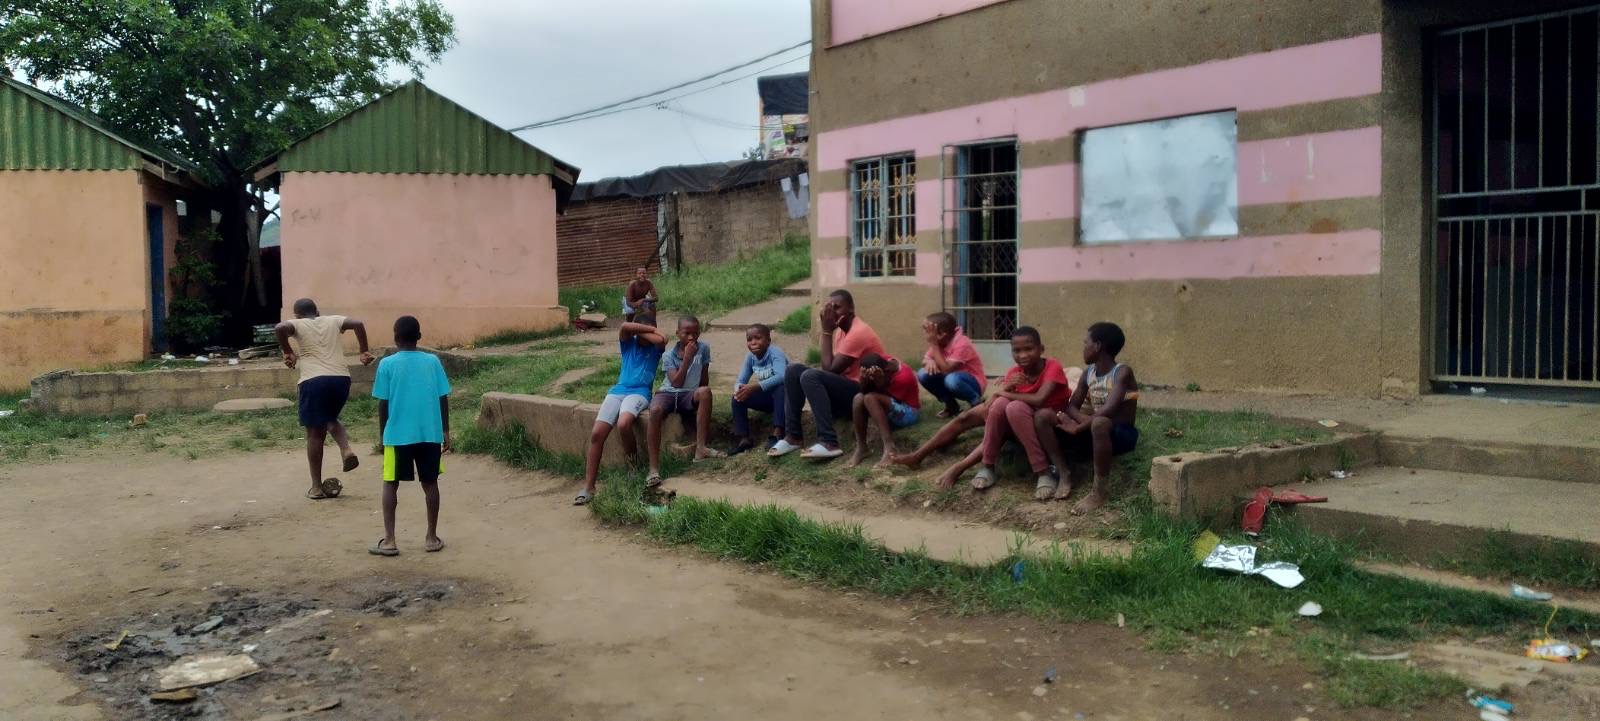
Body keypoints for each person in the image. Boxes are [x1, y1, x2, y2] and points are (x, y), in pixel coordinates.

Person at [931, 327, 1072, 493]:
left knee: (1014, 406)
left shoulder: (1052, 367)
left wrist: (1001, 392)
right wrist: (1008, 387)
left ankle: (1043, 471)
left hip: (1050, 425)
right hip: (1022, 427)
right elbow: (993, 407)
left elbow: (1039, 399)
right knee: (1001, 405)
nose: (1023, 355)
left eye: (1029, 349)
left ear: (1041, 349)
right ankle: (988, 466)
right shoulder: (1014, 373)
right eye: (1017, 350)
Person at [1036, 322, 1140, 515]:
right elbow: (1071, 406)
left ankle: (1099, 492)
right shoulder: (1088, 373)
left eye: (1086, 343)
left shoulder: (1122, 372)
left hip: (1120, 435)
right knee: (1043, 416)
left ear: (1098, 346)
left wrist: (1078, 426)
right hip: (1092, 430)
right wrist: (1079, 422)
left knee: (1100, 422)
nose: (1083, 348)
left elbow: (1110, 410)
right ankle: (1063, 473)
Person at [769, 290, 886, 460]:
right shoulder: (841, 331)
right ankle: (793, 437)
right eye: (830, 308)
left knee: (810, 376)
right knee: (793, 370)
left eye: (837, 308)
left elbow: (829, 369)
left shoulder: (858, 332)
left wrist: (826, 331)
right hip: (847, 389)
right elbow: (830, 368)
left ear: (851, 308)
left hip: (863, 396)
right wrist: (830, 331)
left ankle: (829, 442)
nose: (832, 313)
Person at [368, 316, 450, 556]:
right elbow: (442, 397)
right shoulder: (432, 361)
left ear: (395, 337)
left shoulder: (387, 364)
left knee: (390, 483)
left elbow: (383, 404)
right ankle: (431, 537)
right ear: (419, 337)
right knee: (430, 483)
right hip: (430, 433)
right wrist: (445, 430)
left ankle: (391, 540)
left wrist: (383, 436)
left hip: (397, 435)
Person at [275, 298, 372, 501]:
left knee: (314, 434)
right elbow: (358, 324)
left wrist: (287, 351)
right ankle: (345, 449)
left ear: (297, 315)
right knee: (329, 417)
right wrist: (363, 350)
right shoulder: (334, 320)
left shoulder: (298, 324)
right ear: (317, 312)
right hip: (341, 380)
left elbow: (280, 327)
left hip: (313, 381)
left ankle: (317, 487)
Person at [577, 312, 666, 506]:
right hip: (617, 391)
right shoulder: (628, 344)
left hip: (640, 392)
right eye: (640, 331)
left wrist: (645, 332)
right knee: (597, 433)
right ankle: (589, 487)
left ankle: (633, 467)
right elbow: (624, 328)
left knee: (624, 423)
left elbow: (662, 339)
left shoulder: (656, 349)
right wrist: (645, 330)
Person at [646, 315, 722, 486]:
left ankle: (701, 449)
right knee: (655, 410)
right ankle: (653, 469)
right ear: (677, 333)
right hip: (668, 392)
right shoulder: (668, 355)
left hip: (689, 394)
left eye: (695, 333)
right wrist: (687, 358)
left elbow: (704, 380)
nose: (691, 337)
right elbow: (676, 382)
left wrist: (699, 399)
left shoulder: (704, 349)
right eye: (687, 333)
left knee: (705, 392)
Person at [846, 353, 920, 468]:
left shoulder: (904, 377)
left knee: (870, 398)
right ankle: (861, 447)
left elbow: (892, 401)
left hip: (908, 413)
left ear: (885, 370)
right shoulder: (882, 361)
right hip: (888, 405)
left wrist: (880, 383)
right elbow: (864, 391)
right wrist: (864, 380)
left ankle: (890, 448)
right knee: (858, 398)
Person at [730, 323, 789, 455]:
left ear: (768, 340)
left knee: (780, 387)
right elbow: (740, 380)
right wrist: (738, 390)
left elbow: (782, 376)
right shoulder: (750, 358)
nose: (753, 342)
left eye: (758, 338)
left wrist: (755, 386)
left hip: (786, 400)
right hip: (768, 400)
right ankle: (744, 438)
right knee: (737, 397)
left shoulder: (775, 353)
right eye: (749, 339)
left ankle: (778, 432)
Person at [917, 312, 986, 418]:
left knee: (951, 379)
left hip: (971, 383)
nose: (925, 334)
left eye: (928, 331)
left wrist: (934, 344)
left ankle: (977, 404)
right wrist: (930, 361)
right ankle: (951, 406)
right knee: (923, 374)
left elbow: (946, 369)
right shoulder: (940, 342)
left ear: (941, 334)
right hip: (950, 380)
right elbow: (925, 360)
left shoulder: (962, 343)